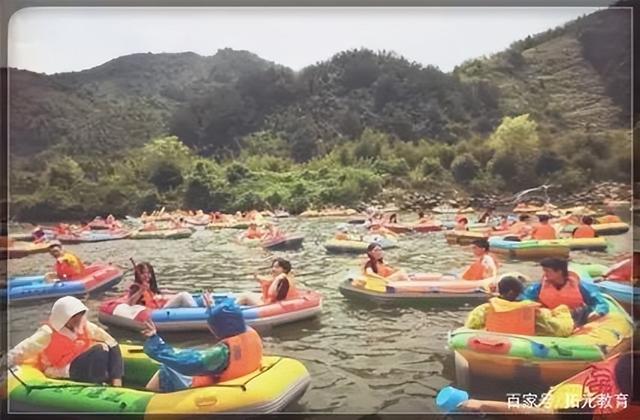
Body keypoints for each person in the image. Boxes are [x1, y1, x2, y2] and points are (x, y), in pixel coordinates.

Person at [141, 298, 262, 392]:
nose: (211, 329)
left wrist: (154, 340)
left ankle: (149, 396)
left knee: (167, 369)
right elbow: (227, 318)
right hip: (240, 381)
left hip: (209, 391)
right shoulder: (249, 332)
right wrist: (212, 309)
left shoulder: (222, 353)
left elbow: (185, 363)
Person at [7, 296, 123, 386]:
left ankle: (110, 382)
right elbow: (24, 349)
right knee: (100, 349)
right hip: (58, 369)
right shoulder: (48, 332)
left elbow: (112, 343)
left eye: (80, 315)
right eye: (74, 317)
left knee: (105, 347)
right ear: (63, 317)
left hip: (80, 363)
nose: (78, 319)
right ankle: (98, 384)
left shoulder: (86, 326)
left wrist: (116, 377)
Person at [464, 275, 574, 337]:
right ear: (512, 292)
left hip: (495, 341)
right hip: (525, 344)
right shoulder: (531, 311)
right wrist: (563, 313)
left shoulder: (485, 309)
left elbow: (471, 325)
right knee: (560, 310)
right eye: (519, 293)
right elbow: (557, 329)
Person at [521, 258, 609, 326]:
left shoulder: (578, 286)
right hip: (550, 316)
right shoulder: (539, 286)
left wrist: (598, 311)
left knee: (583, 311)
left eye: (547, 271)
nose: (545, 274)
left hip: (574, 317)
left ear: (559, 272)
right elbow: (525, 297)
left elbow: (599, 301)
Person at [127, 262, 200, 309]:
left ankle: (197, 310)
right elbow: (130, 303)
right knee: (183, 295)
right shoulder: (136, 287)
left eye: (148, 273)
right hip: (155, 313)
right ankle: (198, 313)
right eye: (143, 273)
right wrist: (141, 291)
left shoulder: (149, 287)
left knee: (182, 296)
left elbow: (156, 296)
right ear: (138, 275)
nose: (146, 275)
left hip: (158, 308)